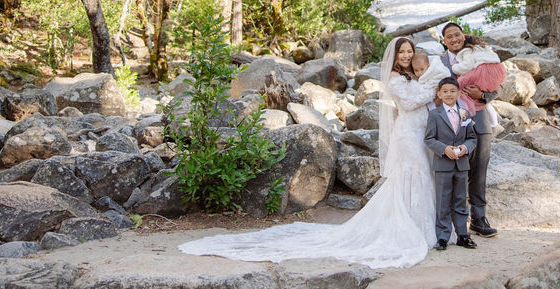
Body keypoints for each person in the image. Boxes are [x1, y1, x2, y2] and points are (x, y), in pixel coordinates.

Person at [177, 37, 450, 268]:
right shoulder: (393, 77)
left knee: (424, 175)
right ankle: (412, 229)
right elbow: (410, 101)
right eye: (402, 52)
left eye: (409, 52)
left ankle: (427, 225)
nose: (406, 56)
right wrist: (433, 90)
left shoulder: (411, 74)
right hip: (407, 134)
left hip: (420, 131)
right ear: (394, 56)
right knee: (412, 175)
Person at [440, 22, 499, 238]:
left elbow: (497, 84)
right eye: (449, 36)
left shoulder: (478, 54)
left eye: (457, 34)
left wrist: (481, 95)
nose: (454, 39)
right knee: (455, 171)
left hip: (480, 119)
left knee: (479, 169)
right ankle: (456, 221)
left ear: (463, 35)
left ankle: (479, 218)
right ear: (443, 41)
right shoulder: (439, 62)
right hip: (451, 123)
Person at [424, 77, 478, 251]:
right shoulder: (434, 114)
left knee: (461, 200)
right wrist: (444, 148)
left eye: (452, 91)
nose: (448, 94)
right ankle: (442, 236)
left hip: (462, 165)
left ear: (459, 93)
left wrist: (465, 148)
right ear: (439, 94)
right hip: (443, 165)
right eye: (445, 91)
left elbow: (472, 138)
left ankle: (463, 234)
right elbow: (429, 138)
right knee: (443, 201)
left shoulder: (465, 113)